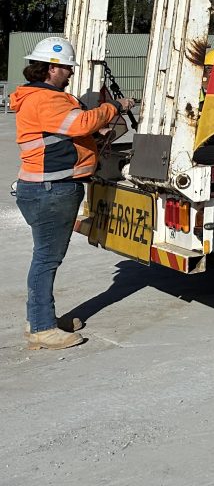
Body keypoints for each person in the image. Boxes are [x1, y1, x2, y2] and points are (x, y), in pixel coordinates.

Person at [11, 35, 135, 350]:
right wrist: (113, 107)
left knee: (45, 258)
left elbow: (68, 131)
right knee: (46, 260)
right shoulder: (46, 99)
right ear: (51, 68)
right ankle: (41, 328)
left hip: (44, 186)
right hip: (51, 189)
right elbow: (80, 124)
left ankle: (41, 318)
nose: (70, 73)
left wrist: (95, 131)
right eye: (66, 68)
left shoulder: (39, 97)